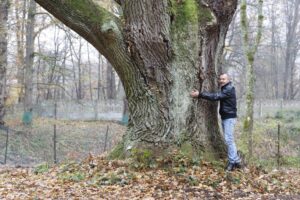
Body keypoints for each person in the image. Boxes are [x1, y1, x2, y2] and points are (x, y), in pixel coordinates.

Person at [190, 73, 241, 171]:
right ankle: (237, 160)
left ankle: (232, 162)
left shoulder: (228, 88)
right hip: (226, 116)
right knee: (229, 139)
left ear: (228, 80)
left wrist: (200, 94)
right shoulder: (225, 88)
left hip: (229, 118)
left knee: (229, 139)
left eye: (224, 79)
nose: (221, 80)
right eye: (220, 79)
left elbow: (216, 96)